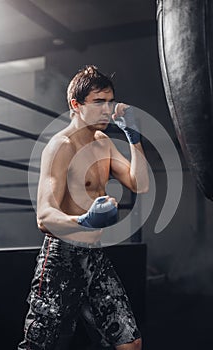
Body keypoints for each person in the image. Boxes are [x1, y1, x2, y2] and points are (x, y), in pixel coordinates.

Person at [18, 65, 149, 350]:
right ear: (76, 105)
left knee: (130, 344)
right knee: (39, 347)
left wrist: (134, 140)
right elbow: (44, 216)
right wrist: (86, 220)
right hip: (60, 260)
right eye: (98, 102)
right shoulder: (60, 145)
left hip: (94, 257)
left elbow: (141, 184)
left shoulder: (103, 142)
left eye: (110, 101)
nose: (107, 109)